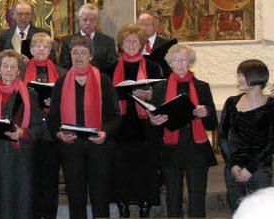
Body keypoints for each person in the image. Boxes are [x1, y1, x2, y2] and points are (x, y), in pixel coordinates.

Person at [47, 36, 121, 219]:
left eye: (83, 52)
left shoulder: (103, 80)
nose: (78, 56)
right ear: (70, 54)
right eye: (75, 52)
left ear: (91, 56)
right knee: (76, 198)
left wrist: (105, 133)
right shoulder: (61, 82)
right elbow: (53, 117)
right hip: (71, 147)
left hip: (98, 146)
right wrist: (58, 133)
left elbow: (115, 116)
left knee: (100, 198)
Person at [148, 44, 218, 218]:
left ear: (190, 62)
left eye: (184, 59)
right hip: (171, 149)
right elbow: (155, 122)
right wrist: (154, 121)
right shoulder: (160, 88)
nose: (180, 64)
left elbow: (212, 124)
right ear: (170, 63)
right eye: (175, 59)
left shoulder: (202, 86)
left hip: (196, 148)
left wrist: (206, 112)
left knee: (197, 197)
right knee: (172, 197)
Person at [106, 23, 163, 217]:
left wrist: (150, 95)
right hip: (119, 128)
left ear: (142, 44)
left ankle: (145, 205)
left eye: (135, 41)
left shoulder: (153, 67)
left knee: (144, 169)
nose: (131, 44)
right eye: (127, 41)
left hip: (145, 127)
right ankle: (123, 206)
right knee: (121, 170)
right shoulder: (110, 69)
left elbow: (162, 97)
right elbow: (103, 100)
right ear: (120, 44)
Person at [0, 49, 42, 218]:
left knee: (21, 202)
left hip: (20, 156)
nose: (8, 70)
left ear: (19, 71)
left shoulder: (29, 94)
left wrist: (23, 133)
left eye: (12, 67)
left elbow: (37, 128)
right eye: (4, 66)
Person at [219, 59, 273, 212]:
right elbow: (223, 138)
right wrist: (233, 165)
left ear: (256, 77)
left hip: (260, 169)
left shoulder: (271, 105)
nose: (239, 79)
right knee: (238, 211)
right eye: (239, 75)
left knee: (261, 212)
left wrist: (250, 169)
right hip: (233, 168)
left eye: (242, 75)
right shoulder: (231, 102)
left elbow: (271, 143)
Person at [23, 32, 66, 219]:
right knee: (30, 179)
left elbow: (69, 103)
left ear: (51, 50)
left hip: (51, 132)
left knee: (49, 180)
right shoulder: (20, 71)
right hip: (29, 131)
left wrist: (54, 103)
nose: (41, 49)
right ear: (31, 49)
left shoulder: (62, 73)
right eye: (37, 46)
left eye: (45, 46)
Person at [60, 3, 117, 72]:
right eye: (84, 20)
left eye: (92, 20)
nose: (88, 23)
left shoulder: (108, 42)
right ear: (79, 20)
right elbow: (64, 68)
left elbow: (112, 67)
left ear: (97, 21)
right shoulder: (67, 42)